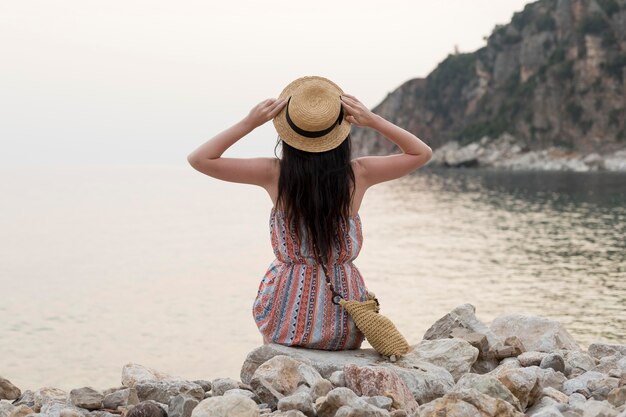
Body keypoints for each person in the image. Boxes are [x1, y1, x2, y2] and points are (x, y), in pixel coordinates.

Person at [187, 76, 432, 350]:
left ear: (287, 133)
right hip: (343, 317)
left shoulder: (274, 173)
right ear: (341, 131)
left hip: (286, 319)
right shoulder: (359, 173)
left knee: (277, 300)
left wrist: (249, 123)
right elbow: (421, 153)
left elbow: (199, 159)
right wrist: (374, 120)